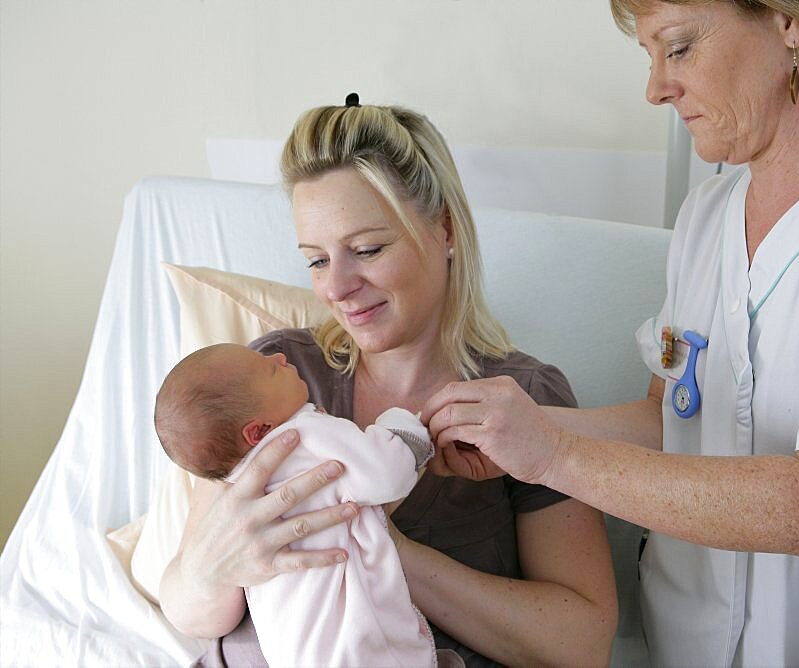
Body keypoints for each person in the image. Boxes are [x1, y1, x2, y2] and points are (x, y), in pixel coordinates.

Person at [423, 1, 799, 666]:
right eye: (649, 57)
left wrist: (552, 455)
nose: (655, 88)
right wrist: (509, 432)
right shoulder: (707, 215)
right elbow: (668, 417)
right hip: (685, 643)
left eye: (678, 48)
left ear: (790, 22)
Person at [158, 98, 619, 668]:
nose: (338, 288)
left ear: (444, 229)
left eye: (368, 250)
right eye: (317, 260)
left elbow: (582, 645)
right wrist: (213, 565)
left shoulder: (523, 400)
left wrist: (381, 549)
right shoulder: (272, 374)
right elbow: (189, 610)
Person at [154, 342, 445, 668]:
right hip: (350, 647)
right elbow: (387, 472)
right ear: (258, 430)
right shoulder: (302, 434)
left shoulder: (238, 478)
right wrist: (405, 426)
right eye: (270, 369)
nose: (280, 357)